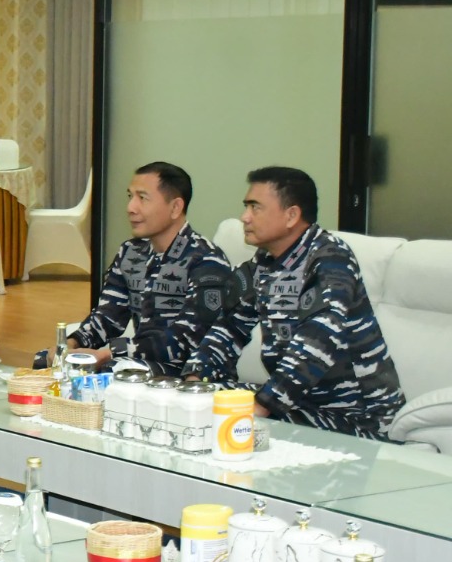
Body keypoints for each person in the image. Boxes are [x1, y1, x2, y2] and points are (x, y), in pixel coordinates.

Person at [188, 166, 404, 440]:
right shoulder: (263, 262)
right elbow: (230, 327)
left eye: (255, 207)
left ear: (291, 215)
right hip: (296, 405)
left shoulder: (330, 258)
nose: (244, 217)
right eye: (246, 207)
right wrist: (196, 381)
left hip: (355, 418)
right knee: (197, 404)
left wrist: (261, 406)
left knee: (228, 423)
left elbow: (317, 343)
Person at [66, 162, 235, 376]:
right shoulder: (131, 252)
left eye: (143, 198)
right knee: (49, 361)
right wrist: (71, 345)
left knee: (113, 370)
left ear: (175, 208)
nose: (131, 207)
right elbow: (107, 316)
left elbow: (187, 338)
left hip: (191, 373)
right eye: (130, 196)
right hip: (141, 362)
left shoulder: (206, 260)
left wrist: (112, 353)